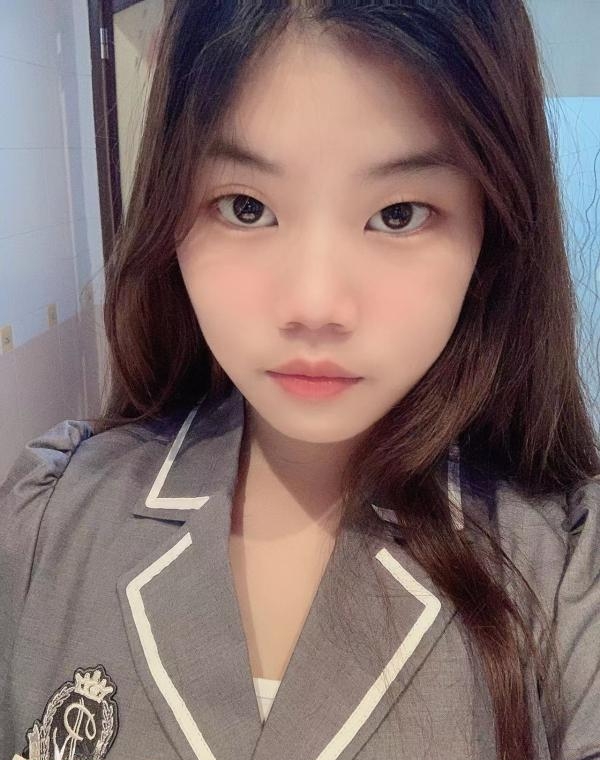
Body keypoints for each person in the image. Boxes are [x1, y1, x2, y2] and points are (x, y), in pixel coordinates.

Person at [1, 1, 599, 759]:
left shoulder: (567, 571)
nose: (315, 307)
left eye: (399, 214)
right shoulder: (50, 521)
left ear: (494, 230)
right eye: (246, 207)